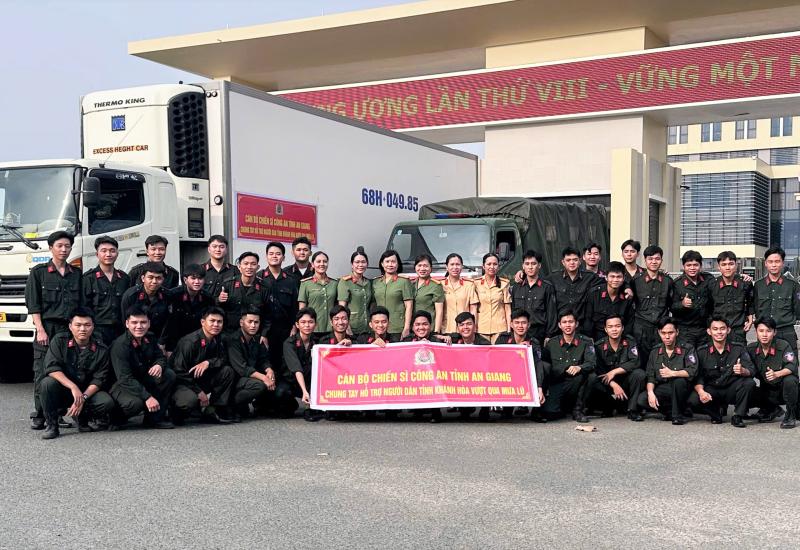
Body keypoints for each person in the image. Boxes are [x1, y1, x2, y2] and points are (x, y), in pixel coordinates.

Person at [25, 231, 82, 430]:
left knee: (64, 370)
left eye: (67, 246)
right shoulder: (39, 273)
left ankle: (57, 414)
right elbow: (33, 304)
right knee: (42, 371)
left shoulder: (76, 274)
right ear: (51, 248)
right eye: (59, 246)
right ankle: (40, 414)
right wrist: (40, 329)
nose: (64, 249)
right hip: (47, 328)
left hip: (68, 330)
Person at [39, 308, 114, 439]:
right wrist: (73, 387)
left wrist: (82, 398)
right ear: (70, 326)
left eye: (87, 325)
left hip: (86, 392)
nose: (82, 329)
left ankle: (82, 417)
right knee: (47, 384)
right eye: (78, 325)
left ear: (93, 326)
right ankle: (52, 425)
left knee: (106, 402)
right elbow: (52, 368)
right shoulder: (59, 341)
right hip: (65, 390)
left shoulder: (101, 349)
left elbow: (99, 379)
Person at [109, 305, 177, 430]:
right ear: (127, 324)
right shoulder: (120, 345)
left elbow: (160, 357)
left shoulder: (150, 338)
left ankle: (154, 419)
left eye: (143, 322)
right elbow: (125, 378)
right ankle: (114, 418)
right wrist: (147, 397)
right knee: (135, 404)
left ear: (149, 323)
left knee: (168, 375)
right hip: (122, 385)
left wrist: (159, 365)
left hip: (141, 379)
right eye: (134, 322)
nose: (139, 326)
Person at [170, 307, 237, 424]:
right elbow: (178, 371)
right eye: (212, 321)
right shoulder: (189, 342)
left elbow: (224, 359)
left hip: (201, 379)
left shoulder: (220, 339)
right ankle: (175, 411)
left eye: (219, 322)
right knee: (189, 401)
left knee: (227, 371)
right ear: (202, 322)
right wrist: (199, 392)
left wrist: (208, 363)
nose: (216, 325)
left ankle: (213, 410)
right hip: (183, 383)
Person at [688, 315, 756, 427]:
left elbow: (752, 370)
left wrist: (743, 370)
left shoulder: (738, 348)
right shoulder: (701, 351)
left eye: (722, 328)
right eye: (715, 329)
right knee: (693, 398)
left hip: (731, 389)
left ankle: (738, 415)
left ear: (728, 330)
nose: (719, 332)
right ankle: (715, 413)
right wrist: (701, 392)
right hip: (712, 389)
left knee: (749, 383)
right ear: (709, 331)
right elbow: (698, 377)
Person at [224, 307, 288, 420]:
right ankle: (230, 405)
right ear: (241, 322)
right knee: (260, 385)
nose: (253, 325)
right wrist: (264, 378)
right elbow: (242, 368)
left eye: (256, 322)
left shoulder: (257, 339)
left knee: (277, 382)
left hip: (250, 377)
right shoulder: (233, 340)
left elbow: (263, 359)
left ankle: (261, 405)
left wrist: (269, 370)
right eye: (250, 322)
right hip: (235, 379)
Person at [636, 318, 697, 425]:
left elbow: (692, 371)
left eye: (670, 333)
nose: (667, 336)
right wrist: (650, 393)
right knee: (642, 399)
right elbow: (651, 376)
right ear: (659, 333)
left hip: (683, 389)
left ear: (677, 332)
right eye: (663, 333)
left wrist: (673, 373)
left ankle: (677, 416)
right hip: (664, 388)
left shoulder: (687, 349)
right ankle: (671, 411)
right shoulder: (655, 351)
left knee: (679, 382)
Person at [495, 309, 549, 422]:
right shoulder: (503, 338)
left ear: (528, 325)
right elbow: (497, 360)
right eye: (517, 323)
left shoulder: (534, 342)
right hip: (507, 373)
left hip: (526, 374)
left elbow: (538, 364)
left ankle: (537, 409)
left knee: (545, 367)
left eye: (524, 323)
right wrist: (517, 349)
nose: (520, 326)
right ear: (511, 324)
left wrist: (539, 387)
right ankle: (507, 409)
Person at [588, 315, 645, 421]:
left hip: (625, 382)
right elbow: (599, 370)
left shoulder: (630, 342)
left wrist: (614, 372)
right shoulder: (599, 346)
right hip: (607, 384)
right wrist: (613, 384)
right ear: (605, 329)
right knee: (592, 378)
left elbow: (635, 362)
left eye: (617, 326)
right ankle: (609, 405)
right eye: (610, 327)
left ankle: (632, 409)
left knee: (639, 374)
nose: (614, 329)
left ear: (622, 328)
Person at [542, 310, 595, 423]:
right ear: (559, 325)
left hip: (577, 382)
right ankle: (562, 408)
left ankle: (578, 410)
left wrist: (579, 367)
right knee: (549, 413)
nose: (567, 325)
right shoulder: (551, 343)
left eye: (571, 322)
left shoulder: (586, 341)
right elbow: (544, 366)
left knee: (591, 376)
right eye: (564, 322)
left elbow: (591, 363)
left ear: (576, 324)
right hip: (558, 383)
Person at [747, 317, 798, 429]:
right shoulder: (751, 349)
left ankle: (791, 415)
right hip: (767, 391)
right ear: (756, 332)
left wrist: (777, 374)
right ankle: (771, 409)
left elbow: (792, 366)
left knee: (790, 380)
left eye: (768, 331)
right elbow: (747, 368)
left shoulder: (783, 345)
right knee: (745, 386)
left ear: (774, 332)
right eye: (761, 331)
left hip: (784, 390)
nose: (764, 335)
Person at [81, 235, 131, 345]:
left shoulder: (124, 279)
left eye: (112, 251)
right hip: (97, 331)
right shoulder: (88, 278)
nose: (108, 254)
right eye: (104, 251)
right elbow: (84, 307)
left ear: (117, 254)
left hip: (120, 331)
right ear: (97, 254)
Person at [630, 245, 674, 367]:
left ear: (661, 260)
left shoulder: (668, 281)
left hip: (661, 329)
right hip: (641, 329)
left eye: (657, 259)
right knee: (641, 362)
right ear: (645, 260)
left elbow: (672, 305)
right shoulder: (636, 281)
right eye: (650, 259)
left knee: (660, 362)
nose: (654, 262)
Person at [259, 241, 299, 372]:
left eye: (278, 254)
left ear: (283, 257)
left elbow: (295, 307)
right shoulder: (259, 277)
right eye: (271, 254)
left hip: (285, 329)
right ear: (266, 256)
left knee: (284, 363)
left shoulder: (291, 280)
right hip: (264, 330)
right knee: (265, 362)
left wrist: (294, 326)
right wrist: (262, 332)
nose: (274, 256)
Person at [753, 246, 800, 352]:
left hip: (786, 333)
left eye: (777, 261)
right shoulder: (758, 285)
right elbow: (756, 308)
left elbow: (798, 310)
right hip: (765, 334)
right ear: (765, 263)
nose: (774, 265)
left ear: (782, 263)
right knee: (763, 361)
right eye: (770, 262)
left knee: (790, 362)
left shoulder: (793, 285)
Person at [402, 310, 445, 423]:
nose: (421, 327)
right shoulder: (407, 341)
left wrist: (448, 338)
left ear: (430, 326)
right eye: (417, 324)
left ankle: (436, 411)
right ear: (412, 327)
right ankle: (418, 410)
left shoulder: (438, 340)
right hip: (414, 375)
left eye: (425, 324)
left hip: (434, 377)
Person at [161, 264, 214, 354]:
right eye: (193, 278)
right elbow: (166, 322)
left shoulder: (207, 298)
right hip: (174, 342)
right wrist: (163, 343)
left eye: (200, 278)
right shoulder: (173, 295)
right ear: (185, 280)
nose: (197, 282)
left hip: (197, 342)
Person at [447, 311, 490, 421]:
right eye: (461, 325)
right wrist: (442, 337)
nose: (465, 327)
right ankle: (464, 410)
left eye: (469, 324)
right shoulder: (453, 340)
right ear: (457, 328)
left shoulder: (484, 344)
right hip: (461, 376)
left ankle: (485, 410)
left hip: (479, 375)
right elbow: (434, 339)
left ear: (475, 326)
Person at [216, 251, 270, 337]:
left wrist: (264, 334)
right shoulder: (228, 284)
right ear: (239, 267)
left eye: (253, 264)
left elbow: (268, 314)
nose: (249, 267)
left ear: (258, 267)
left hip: (254, 335)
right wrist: (219, 300)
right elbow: (217, 310)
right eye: (246, 263)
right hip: (229, 334)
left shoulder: (264, 288)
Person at [508, 249, 557, 343]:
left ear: (539, 265)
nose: (530, 267)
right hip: (520, 334)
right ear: (523, 266)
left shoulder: (547, 287)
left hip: (539, 334)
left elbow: (552, 314)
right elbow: (513, 311)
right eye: (527, 264)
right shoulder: (516, 287)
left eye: (533, 264)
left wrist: (549, 335)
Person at [284, 307, 323, 421]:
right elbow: (296, 368)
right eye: (303, 322)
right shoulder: (289, 343)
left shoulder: (318, 342)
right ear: (297, 324)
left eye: (310, 322)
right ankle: (292, 404)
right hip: (292, 381)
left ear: (315, 324)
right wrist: (304, 391)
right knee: (281, 394)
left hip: (310, 381)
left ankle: (310, 406)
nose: (307, 325)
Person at [707, 251, 754, 346]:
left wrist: (750, 319)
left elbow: (750, 303)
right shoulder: (712, 285)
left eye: (731, 264)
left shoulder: (745, 283)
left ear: (736, 265)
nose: (727, 267)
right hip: (718, 332)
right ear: (718, 267)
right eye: (723, 264)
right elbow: (708, 309)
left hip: (738, 331)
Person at [548, 247, 600, 330]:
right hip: (560, 327)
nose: (572, 262)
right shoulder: (554, 278)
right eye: (568, 260)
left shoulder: (590, 277)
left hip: (582, 327)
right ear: (563, 262)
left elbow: (609, 283)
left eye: (575, 260)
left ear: (580, 261)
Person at [120, 262, 170, 343]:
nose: (154, 281)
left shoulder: (167, 296)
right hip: (135, 339)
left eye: (158, 278)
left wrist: (162, 342)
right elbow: (125, 322)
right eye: (150, 277)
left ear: (163, 279)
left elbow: (168, 323)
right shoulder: (131, 295)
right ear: (143, 278)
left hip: (157, 340)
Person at [671, 250, 711, 348]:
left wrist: (740, 276)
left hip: (704, 330)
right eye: (688, 265)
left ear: (700, 266)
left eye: (695, 265)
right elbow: (671, 307)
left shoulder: (708, 279)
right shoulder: (677, 284)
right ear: (683, 266)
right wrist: (682, 304)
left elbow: (724, 279)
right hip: (685, 331)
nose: (692, 268)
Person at [583, 261, 633, 341]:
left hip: (619, 339)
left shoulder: (627, 296)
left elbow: (629, 322)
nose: (615, 280)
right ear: (606, 277)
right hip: (597, 339)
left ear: (624, 278)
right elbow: (588, 320)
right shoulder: (594, 294)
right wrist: (589, 340)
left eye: (619, 277)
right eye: (612, 276)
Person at [373, 250, 414, 339]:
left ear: (398, 264)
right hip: (379, 328)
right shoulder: (376, 282)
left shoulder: (404, 281)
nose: (390, 264)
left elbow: (409, 306)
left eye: (393, 261)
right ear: (382, 264)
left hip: (397, 327)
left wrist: (406, 328)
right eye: (387, 261)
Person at [298, 251, 338, 337]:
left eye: (325, 261)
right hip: (312, 329)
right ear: (312, 264)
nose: (322, 264)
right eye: (318, 261)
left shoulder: (335, 283)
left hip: (331, 328)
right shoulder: (305, 283)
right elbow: (302, 309)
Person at [475, 253, 511, 343]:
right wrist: (474, 328)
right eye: (489, 264)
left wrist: (509, 329)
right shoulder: (476, 283)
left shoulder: (504, 283)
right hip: (481, 327)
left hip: (500, 328)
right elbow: (473, 308)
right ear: (483, 266)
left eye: (495, 264)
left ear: (498, 266)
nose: (492, 267)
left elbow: (507, 309)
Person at [338, 247, 374, 336]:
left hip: (367, 327)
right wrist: (347, 327)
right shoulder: (345, 282)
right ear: (352, 264)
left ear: (367, 264)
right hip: (352, 326)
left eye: (363, 262)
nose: (360, 265)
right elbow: (341, 307)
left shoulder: (368, 282)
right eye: (357, 262)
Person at [441, 253, 479, 334]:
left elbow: (473, 309)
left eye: (458, 264)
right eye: (452, 264)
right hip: (446, 329)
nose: (455, 267)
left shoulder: (469, 285)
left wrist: (474, 329)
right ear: (446, 267)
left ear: (462, 266)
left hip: (465, 330)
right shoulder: (440, 285)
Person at [411, 254, 444, 334]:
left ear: (431, 268)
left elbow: (439, 311)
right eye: (419, 265)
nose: (422, 269)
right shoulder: (411, 284)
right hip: (413, 329)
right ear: (415, 267)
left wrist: (436, 331)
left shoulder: (436, 286)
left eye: (425, 266)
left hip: (428, 329)